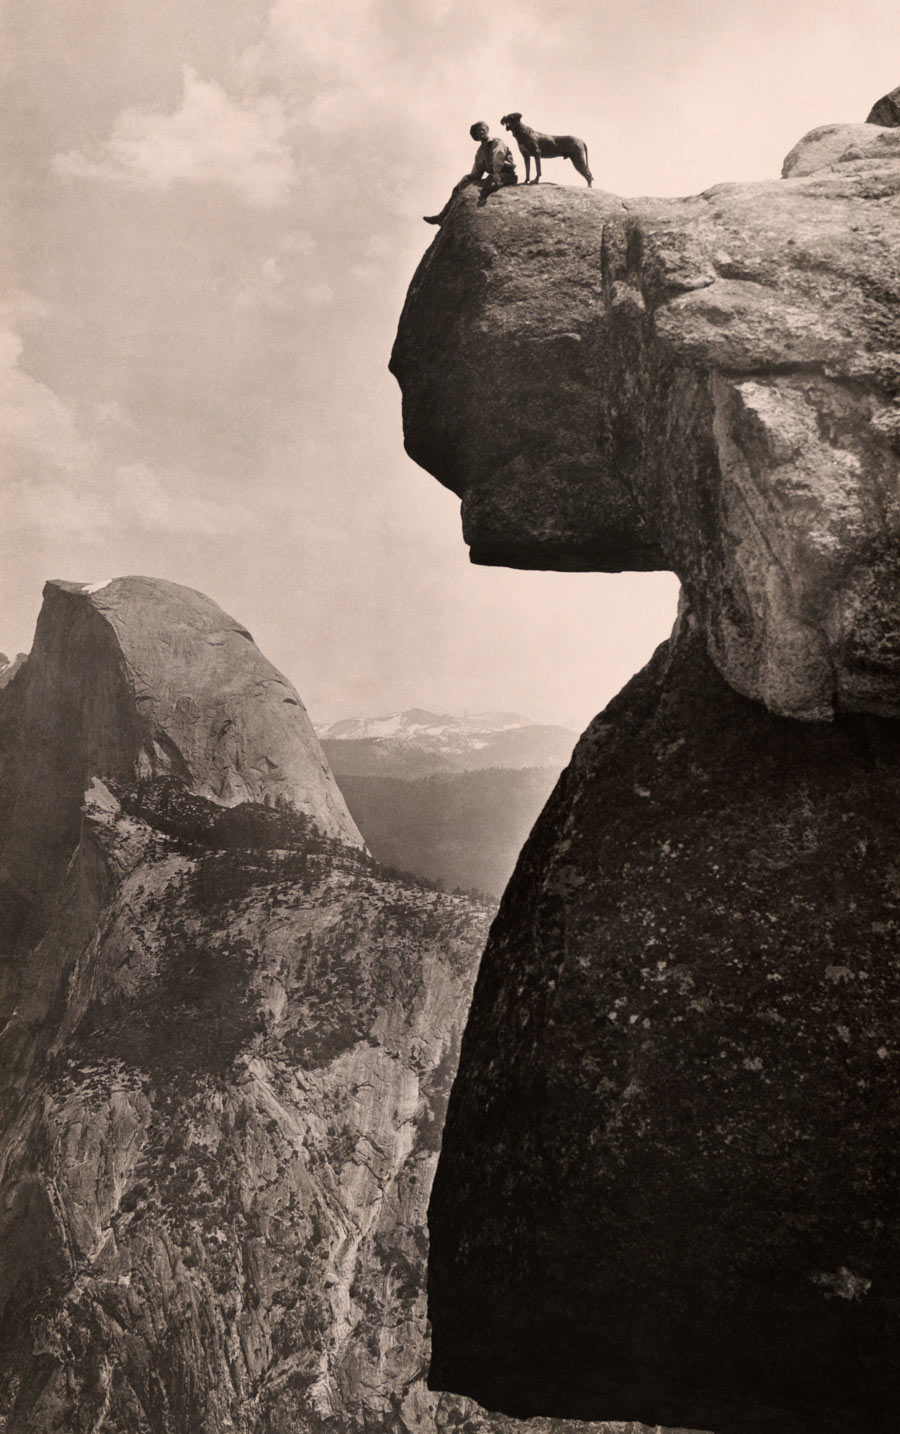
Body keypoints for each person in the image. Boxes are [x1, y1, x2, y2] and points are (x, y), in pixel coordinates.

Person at [423, 121, 518, 225]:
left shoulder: (497, 142)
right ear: (476, 136)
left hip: (506, 175)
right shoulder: (480, 152)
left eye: (482, 129)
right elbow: (477, 173)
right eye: (478, 131)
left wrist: (496, 174)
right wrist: (467, 178)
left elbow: (498, 157)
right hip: (493, 176)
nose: (481, 132)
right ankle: (441, 216)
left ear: (487, 129)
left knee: (489, 182)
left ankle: (484, 200)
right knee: (459, 187)